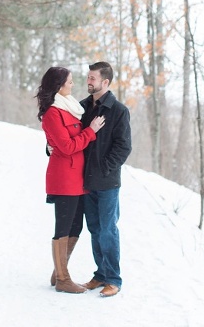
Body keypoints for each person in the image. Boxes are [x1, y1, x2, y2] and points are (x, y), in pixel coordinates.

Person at [36, 67, 104, 294]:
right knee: (63, 226)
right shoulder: (53, 113)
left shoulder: (71, 107)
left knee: (76, 225)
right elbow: (66, 147)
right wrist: (91, 131)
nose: (73, 85)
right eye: (70, 81)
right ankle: (64, 279)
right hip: (64, 177)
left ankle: (59, 272)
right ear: (58, 85)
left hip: (78, 177)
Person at [79, 61, 132, 298]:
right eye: (88, 77)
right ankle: (100, 274)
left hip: (108, 182)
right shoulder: (81, 107)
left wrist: (104, 168)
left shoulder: (118, 110)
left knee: (108, 230)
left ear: (105, 82)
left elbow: (124, 147)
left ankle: (113, 278)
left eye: (93, 78)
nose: (88, 81)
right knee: (94, 228)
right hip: (84, 181)